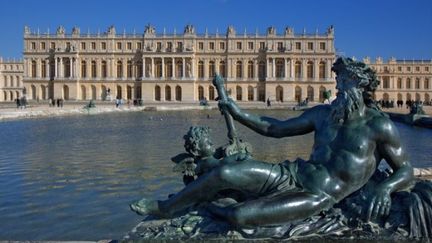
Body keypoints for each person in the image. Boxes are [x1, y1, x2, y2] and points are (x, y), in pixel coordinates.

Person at [130, 57, 414, 227]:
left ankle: (209, 206)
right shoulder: (324, 115)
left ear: (360, 86)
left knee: (240, 217)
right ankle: (166, 208)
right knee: (224, 171)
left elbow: (406, 170)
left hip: (318, 195)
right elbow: (274, 128)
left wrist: (386, 188)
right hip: (293, 174)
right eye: (337, 80)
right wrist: (236, 111)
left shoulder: (379, 126)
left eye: (343, 81)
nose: (337, 87)